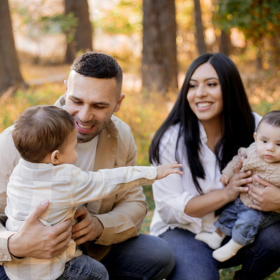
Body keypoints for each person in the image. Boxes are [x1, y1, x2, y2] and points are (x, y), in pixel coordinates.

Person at [0, 52, 175, 280]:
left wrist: (99, 226)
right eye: (76, 101)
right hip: (19, 263)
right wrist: (15, 244)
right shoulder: (14, 141)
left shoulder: (121, 136)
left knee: (157, 254)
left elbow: (134, 202)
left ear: (118, 103)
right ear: (65, 90)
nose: (83, 116)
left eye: (99, 105)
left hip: (85, 252)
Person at [149, 53, 280, 280]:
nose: (200, 93)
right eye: (192, 85)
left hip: (242, 224)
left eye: (211, 84)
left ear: (230, 88)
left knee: (276, 239)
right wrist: (227, 193)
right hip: (185, 231)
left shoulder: (258, 127)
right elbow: (170, 207)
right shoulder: (171, 139)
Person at [195, 110, 280, 262]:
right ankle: (216, 236)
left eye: (279, 144)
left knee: (247, 222)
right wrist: (227, 173)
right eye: (264, 141)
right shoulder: (253, 149)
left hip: (261, 209)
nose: (270, 148)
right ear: (256, 138)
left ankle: (234, 246)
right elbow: (238, 158)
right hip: (242, 198)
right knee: (229, 213)